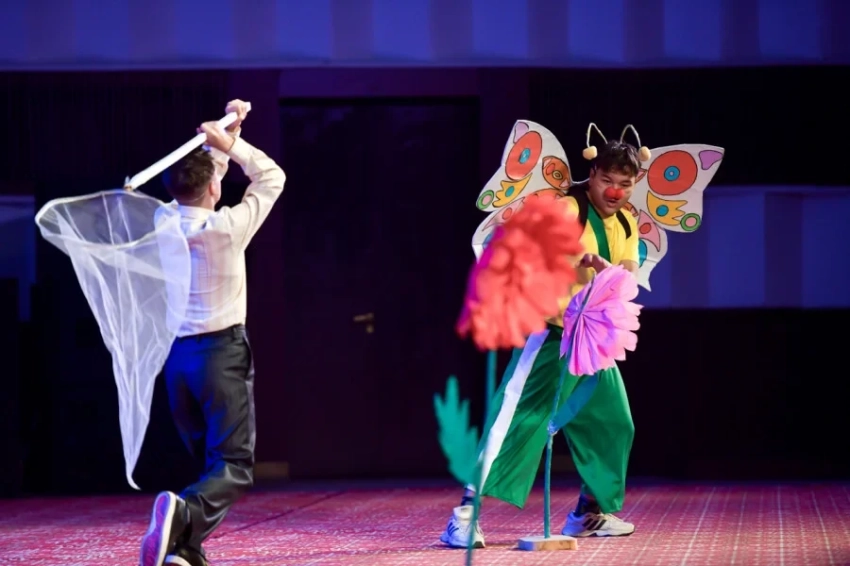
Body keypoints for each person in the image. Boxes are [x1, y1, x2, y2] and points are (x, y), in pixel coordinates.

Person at [441, 139, 641, 548]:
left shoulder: (626, 222)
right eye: (607, 180)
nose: (615, 191)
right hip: (551, 334)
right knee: (518, 419)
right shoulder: (567, 210)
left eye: (625, 184)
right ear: (592, 175)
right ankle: (463, 516)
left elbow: (628, 276)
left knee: (613, 423)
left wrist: (608, 270)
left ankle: (588, 513)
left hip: (594, 339)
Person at [139, 100, 286, 566]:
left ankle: (185, 550)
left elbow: (202, 182)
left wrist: (226, 136)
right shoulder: (226, 228)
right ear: (215, 188)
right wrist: (233, 145)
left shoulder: (163, 222)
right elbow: (272, 178)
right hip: (221, 356)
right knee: (235, 466)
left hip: (178, 364)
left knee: (212, 465)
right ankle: (184, 514)